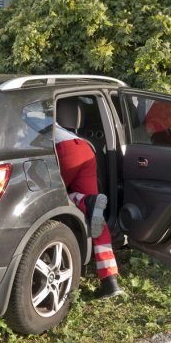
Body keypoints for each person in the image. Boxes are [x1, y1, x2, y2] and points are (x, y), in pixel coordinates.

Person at [54, 101, 123, 299]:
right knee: (96, 216)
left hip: (63, 150)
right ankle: (110, 281)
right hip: (83, 148)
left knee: (48, 198)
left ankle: (83, 200)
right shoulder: (44, 116)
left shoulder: (23, 114)